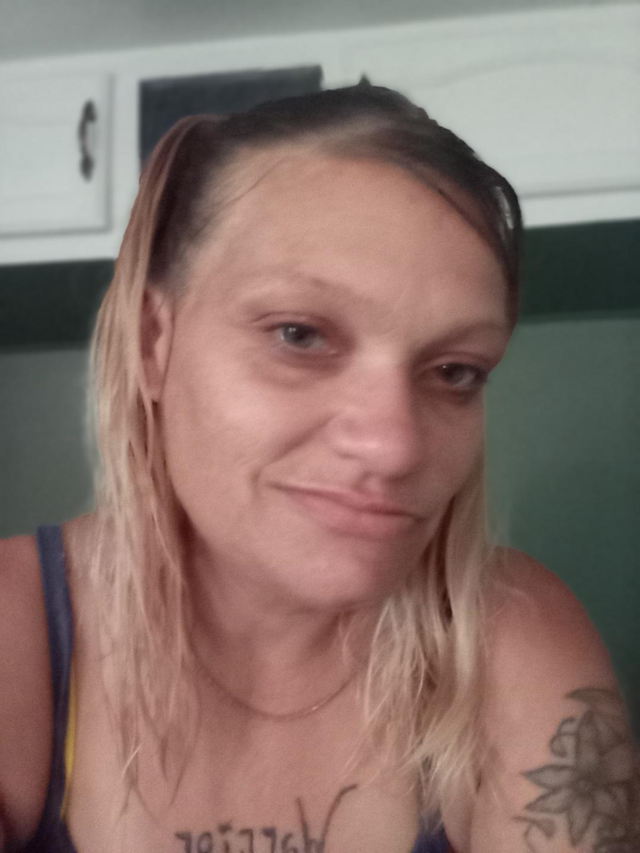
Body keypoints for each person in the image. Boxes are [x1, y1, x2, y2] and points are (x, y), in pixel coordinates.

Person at [0, 83, 637, 853]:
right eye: (298, 335)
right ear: (152, 344)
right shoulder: (18, 627)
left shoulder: (507, 633)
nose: (395, 447)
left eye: (456, 371)